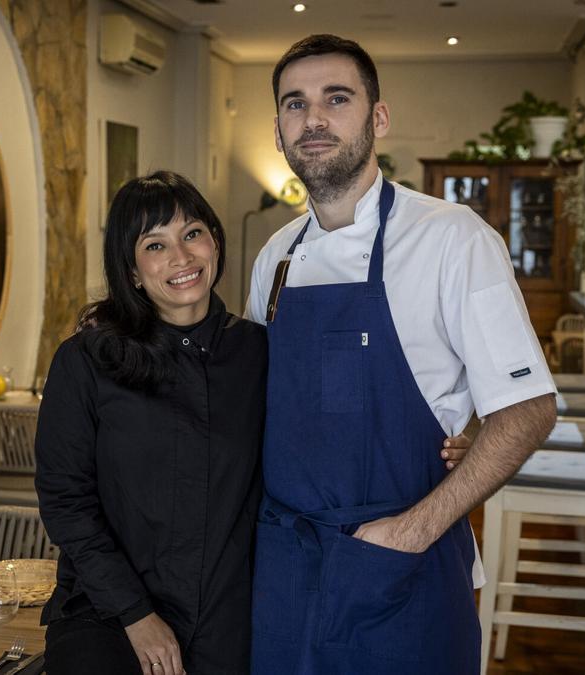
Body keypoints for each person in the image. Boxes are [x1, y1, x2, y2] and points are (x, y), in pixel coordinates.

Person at [35, 172, 473, 675]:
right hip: (108, 615)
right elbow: (66, 503)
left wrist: (451, 438)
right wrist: (136, 615)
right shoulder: (87, 360)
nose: (181, 257)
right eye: (155, 245)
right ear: (132, 271)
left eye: (193, 233)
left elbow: (328, 423)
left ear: (215, 243)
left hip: (229, 618)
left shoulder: (260, 350)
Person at [246, 35, 557, 674]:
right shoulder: (273, 257)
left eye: (337, 98)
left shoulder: (452, 239)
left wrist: (408, 533)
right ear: (278, 130)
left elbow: (528, 409)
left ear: (378, 118)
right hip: (286, 572)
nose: (315, 120)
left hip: (400, 574)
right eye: (295, 105)